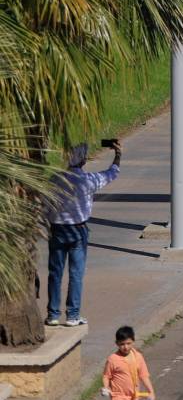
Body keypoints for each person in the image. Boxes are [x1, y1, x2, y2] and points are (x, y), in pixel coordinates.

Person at [45, 137, 120, 328]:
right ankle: (73, 315)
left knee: (55, 272)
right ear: (84, 160)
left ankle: (53, 314)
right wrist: (118, 154)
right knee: (76, 273)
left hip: (57, 229)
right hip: (78, 230)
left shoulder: (55, 179)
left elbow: (46, 204)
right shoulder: (89, 180)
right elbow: (111, 173)